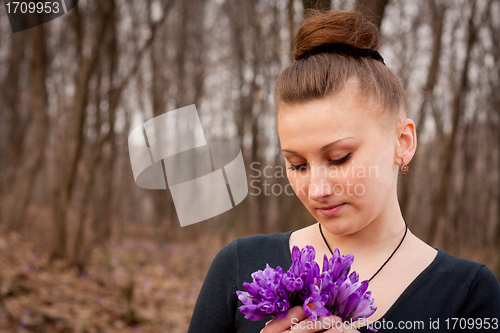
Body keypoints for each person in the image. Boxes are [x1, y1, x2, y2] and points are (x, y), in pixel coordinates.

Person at [187, 10, 500, 333]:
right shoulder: (240, 266)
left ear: (403, 142)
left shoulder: (468, 293)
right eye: (298, 165)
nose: (316, 189)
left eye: (339, 158)